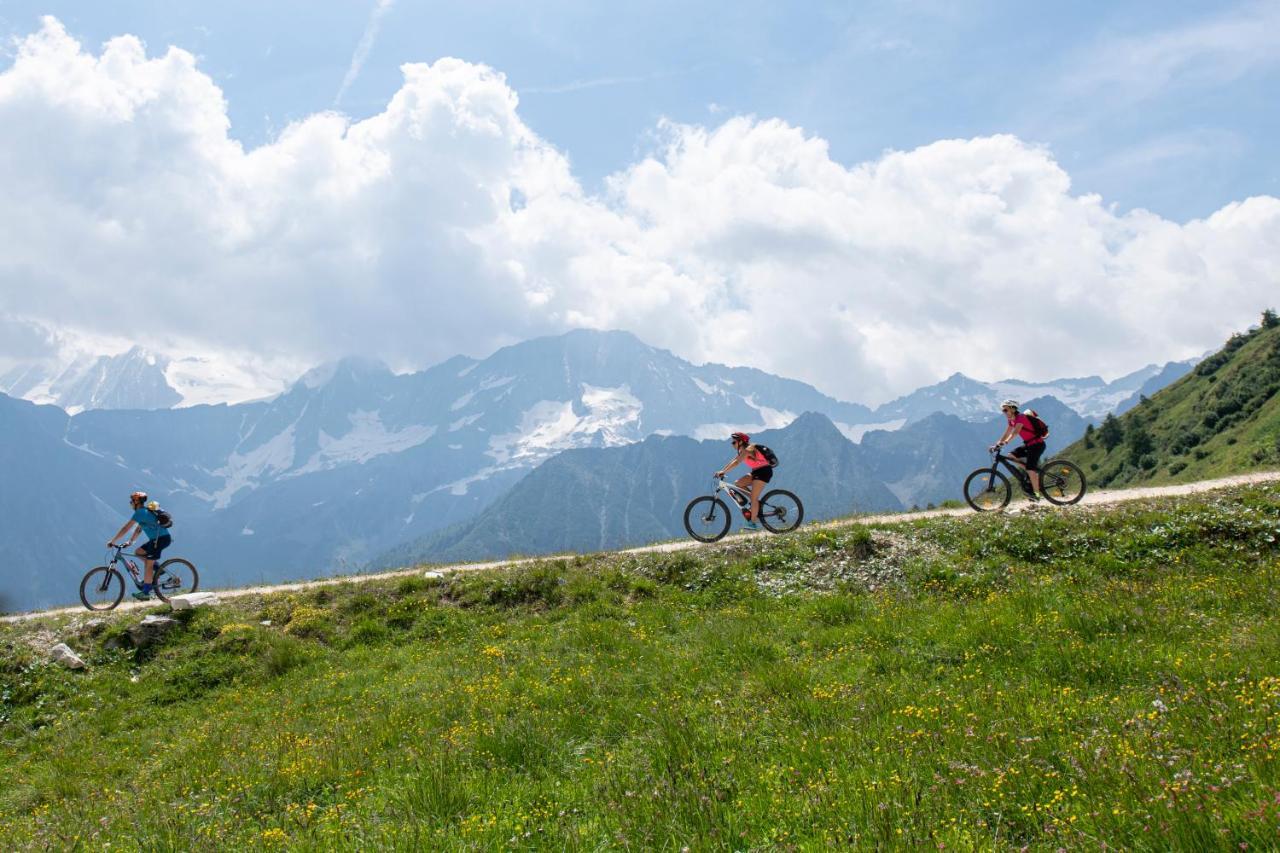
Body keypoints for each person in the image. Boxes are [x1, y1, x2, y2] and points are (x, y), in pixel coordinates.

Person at [107, 491, 172, 600]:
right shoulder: (145, 512)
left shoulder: (140, 512)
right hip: (157, 539)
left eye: (131, 502)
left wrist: (112, 541)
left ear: (136, 502)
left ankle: (146, 593)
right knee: (138, 552)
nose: (130, 504)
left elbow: (125, 528)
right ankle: (159, 570)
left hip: (160, 539)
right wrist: (130, 541)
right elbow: (139, 529)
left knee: (148, 564)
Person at [715, 432, 773, 531]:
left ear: (741, 442)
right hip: (756, 471)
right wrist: (722, 471)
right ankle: (755, 503)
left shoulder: (747, 450)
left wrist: (723, 471)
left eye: (734, 442)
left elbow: (737, 462)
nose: (732, 444)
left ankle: (753, 522)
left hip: (764, 472)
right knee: (738, 483)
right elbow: (732, 461)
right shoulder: (742, 451)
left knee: (754, 498)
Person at [991, 400, 1044, 500]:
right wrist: (997, 444)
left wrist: (1005, 443)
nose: (1004, 412)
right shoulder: (1011, 420)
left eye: (1005, 410)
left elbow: (1015, 433)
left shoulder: (1021, 418)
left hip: (1037, 445)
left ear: (1012, 408)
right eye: (1003, 410)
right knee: (1011, 456)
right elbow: (1007, 433)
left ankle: (1036, 495)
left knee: (1030, 469)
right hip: (1029, 445)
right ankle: (1031, 473)